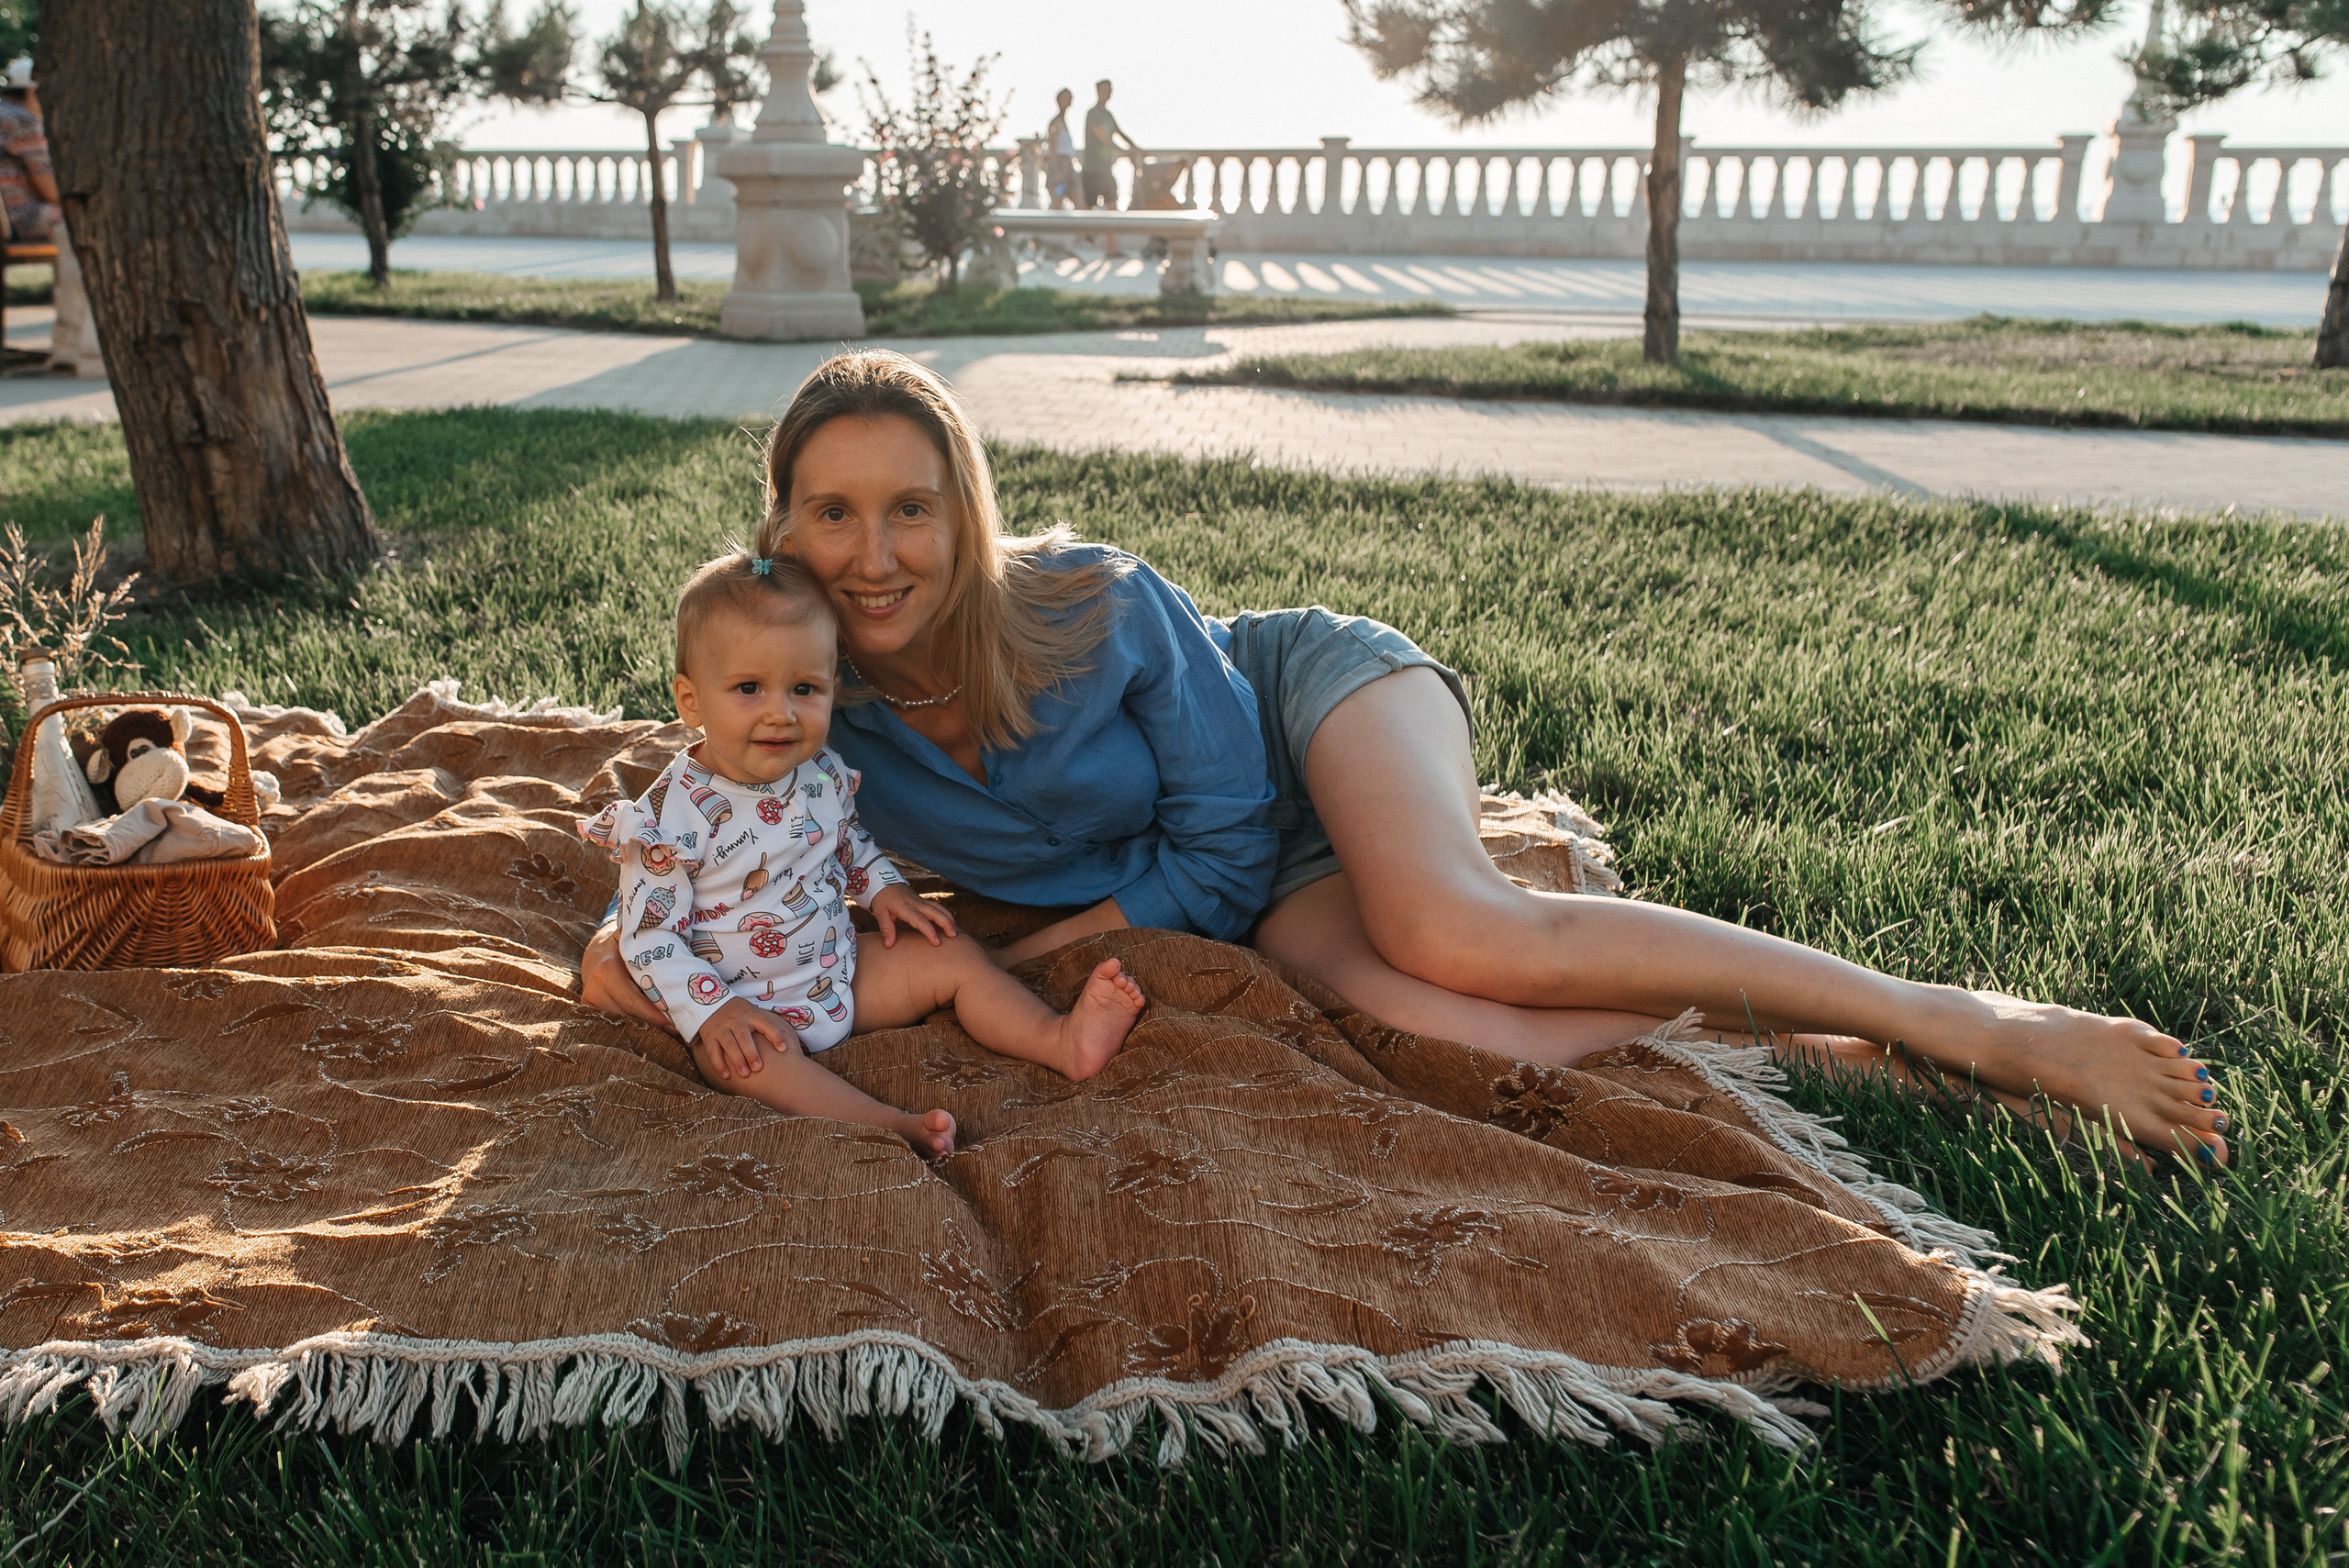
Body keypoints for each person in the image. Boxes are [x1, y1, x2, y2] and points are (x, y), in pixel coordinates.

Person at [583, 350, 2230, 1168]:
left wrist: (1032, 944)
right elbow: (711, 885)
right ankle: (1836, 1058)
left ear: (966, 511)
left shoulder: (1095, 601)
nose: (875, 553)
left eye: (911, 505)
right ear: (782, 528)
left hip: (1303, 711)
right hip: (1241, 882)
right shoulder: (809, 723)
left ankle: (1967, 1018)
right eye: (833, 511)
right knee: (1453, 1023)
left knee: (1460, 929)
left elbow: (1224, 850)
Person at [580, 549, 1149, 1158]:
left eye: (805, 687)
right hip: (742, 1003)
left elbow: (847, 840)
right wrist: (711, 1013)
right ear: (690, 701)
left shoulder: (817, 772)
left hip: (840, 971)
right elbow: (649, 939)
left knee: (951, 955)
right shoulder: (669, 817)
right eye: (749, 687)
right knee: (751, 1064)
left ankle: (1061, 1039)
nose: (782, 712)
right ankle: (886, 1124)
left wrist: (883, 888)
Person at [0, 60, 61, 246]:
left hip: (7, 217)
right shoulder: (22, 122)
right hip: (17, 218)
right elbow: (50, 191)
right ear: (31, 91)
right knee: (80, 218)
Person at [1080, 79, 1138, 212]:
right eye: (1104, 90)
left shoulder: (1108, 115)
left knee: (1112, 206)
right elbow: (1102, 136)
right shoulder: (1093, 113)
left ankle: (1111, 233)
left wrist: (1135, 148)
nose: (1107, 93)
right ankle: (1089, 233)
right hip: (1092, 171)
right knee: (1089, 209)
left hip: (1106, 170)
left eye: (1109, 90)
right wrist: (1122, 151)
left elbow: (1119, 133)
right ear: (1098, 92)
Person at [1044, 88, 1079, 209]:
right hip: (1059, 166)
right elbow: (1052, 149)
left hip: (1068, 165)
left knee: (1078, 198)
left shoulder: (1063, 121)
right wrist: (1057, 172)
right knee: (1057, 202)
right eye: (1065, 98)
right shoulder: (1056, 123)